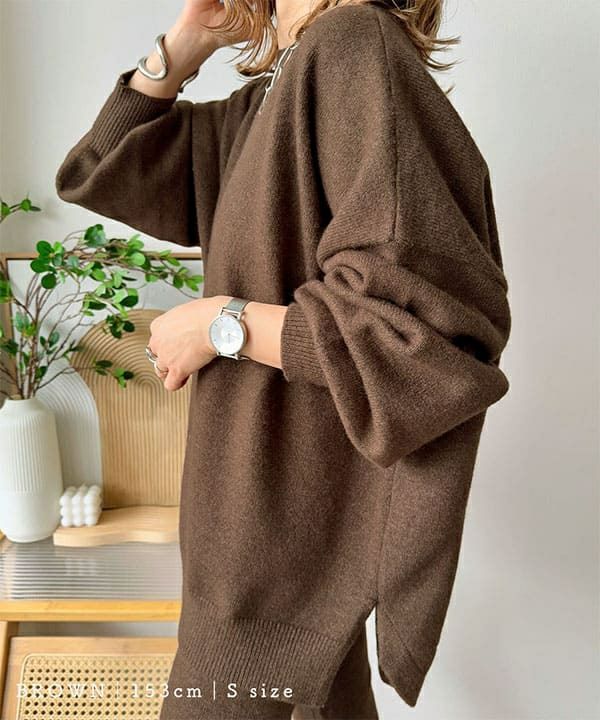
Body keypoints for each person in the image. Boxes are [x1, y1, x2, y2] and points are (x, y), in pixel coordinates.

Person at [55, 0, 512, 718]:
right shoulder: (275, 90)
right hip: (263, 552)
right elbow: (100, 170)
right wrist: (187, 43)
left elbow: (423, 339)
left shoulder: (352, 45)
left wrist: (221, 325)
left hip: (275, 562)